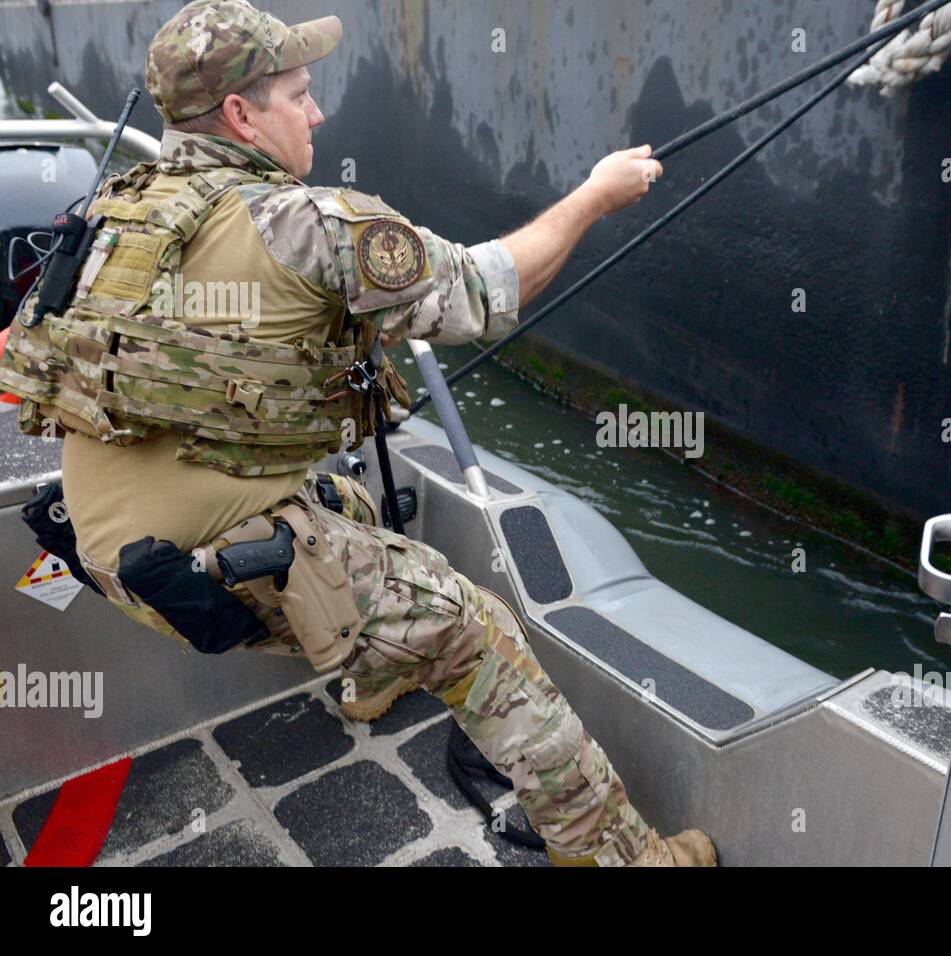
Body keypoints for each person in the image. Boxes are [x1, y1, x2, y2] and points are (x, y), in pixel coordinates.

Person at [0, 0, 714, 868]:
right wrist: (597, 196)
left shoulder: (118, 209)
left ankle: (369, 671)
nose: (318, 113)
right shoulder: (312, 223)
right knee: (474, 624)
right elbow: (489, 289)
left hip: (103, 552)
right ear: (240, 115)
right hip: (202, 578)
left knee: (349, 501)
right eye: (298, 95)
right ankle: (625, 858)